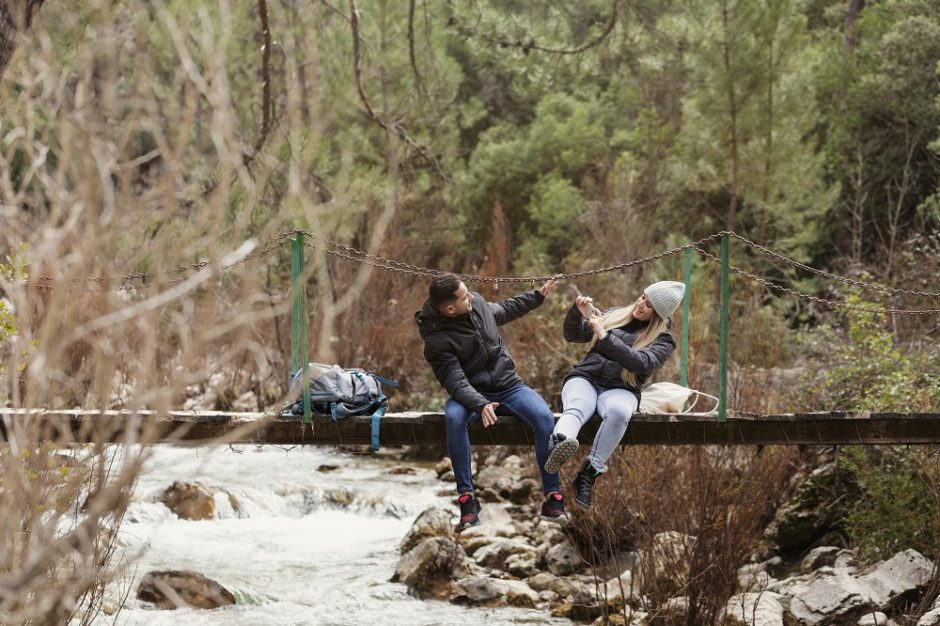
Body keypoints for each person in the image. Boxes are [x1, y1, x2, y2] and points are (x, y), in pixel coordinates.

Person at [415, 273, 568, 529]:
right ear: (450, 309)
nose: (471, 296)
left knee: (544, 418)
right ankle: (467, 500)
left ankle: (553, 497)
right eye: (465, 296)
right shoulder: (435, 341)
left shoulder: (477, 305)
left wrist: (537, 297)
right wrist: (480, 403)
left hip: (508, 386)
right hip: (470, 395)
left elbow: (504, 309)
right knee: (453, 418)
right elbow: (455, 381)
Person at [543, 280, 686, 509]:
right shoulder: (614, 315)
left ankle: (589, 473)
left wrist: (605, 336)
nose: (641, 305)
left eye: (649, 305)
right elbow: (573, 335)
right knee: (579, 406)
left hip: (622, 388)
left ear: (659, 314)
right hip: (585, 378)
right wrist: (575, 314)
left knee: (620, 413)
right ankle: (560, 442)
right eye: (642, 297)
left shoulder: (664, 340)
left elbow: (641, 363)